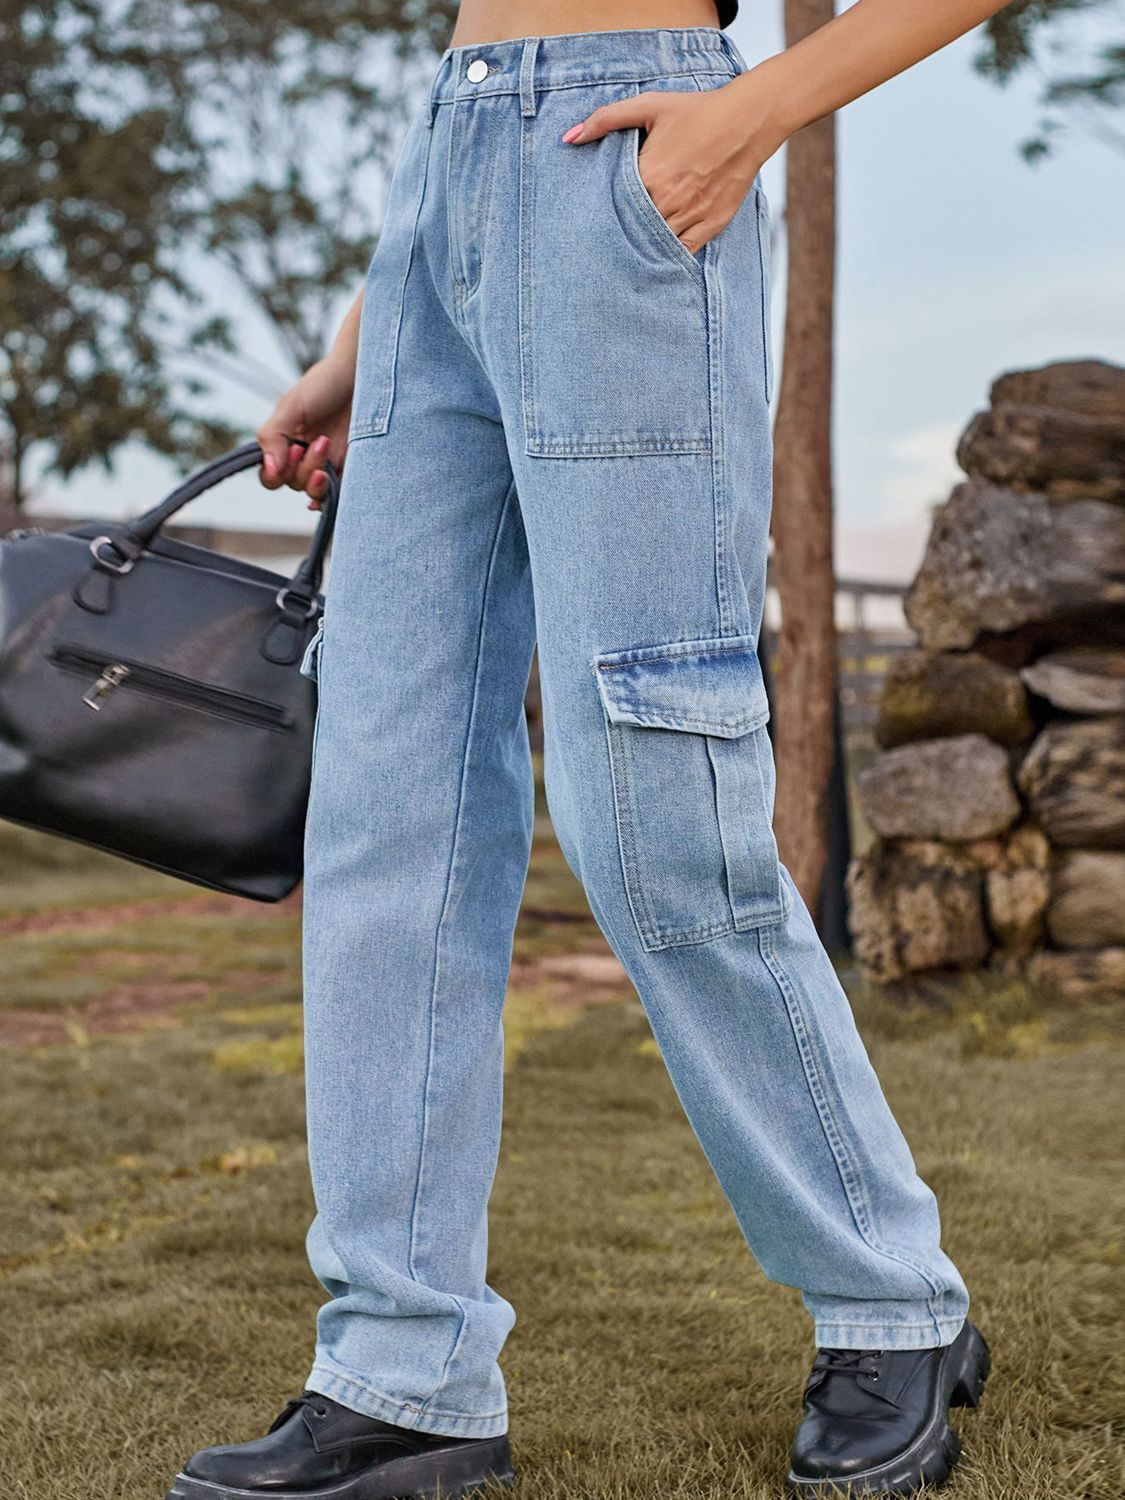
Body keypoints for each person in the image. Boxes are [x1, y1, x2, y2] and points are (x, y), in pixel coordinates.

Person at [168, 2, 1003, 1496]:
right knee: (380, 820)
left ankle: (892, 1299)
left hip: (632, 148)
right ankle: (402, 1369)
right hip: (445, 175)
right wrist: (374, 326)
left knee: (647, 802)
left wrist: (757, 111)